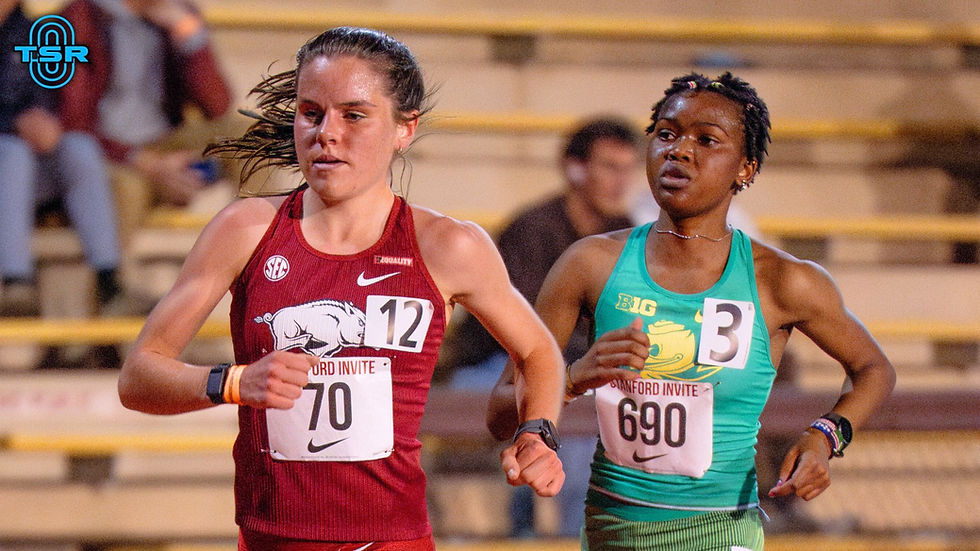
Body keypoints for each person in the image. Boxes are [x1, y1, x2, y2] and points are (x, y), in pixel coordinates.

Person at [118, 27, 565, 549]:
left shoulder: (449, 246)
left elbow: (537, 352)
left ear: (405, 129)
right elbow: (139, 377)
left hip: (392, 540)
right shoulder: (245, 229)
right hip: (270, 540)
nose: (326, 133)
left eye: (354, 115)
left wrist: (538, 432)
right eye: (311, 112)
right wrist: (234, 381)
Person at [487, 72, 896, 549]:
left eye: (706, 140)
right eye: (666, 133)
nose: (679, 150)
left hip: (723, 533)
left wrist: (825, 436)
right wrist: (573, 378)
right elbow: (499, 413)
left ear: (745, 168)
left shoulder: (782, 281)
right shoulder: (589, 264)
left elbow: (874, 369)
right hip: (613, 533)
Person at [438, 117, 639, 537]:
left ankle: (565, 535)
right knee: (566, 413)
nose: (620, 181)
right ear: (575, 168)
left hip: (578, 373)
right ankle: (544, 537)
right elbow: (523, 339)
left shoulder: (627, 234)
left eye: (627, 168)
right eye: (609, 167)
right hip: (491, 369)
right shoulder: (532, 229)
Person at [58, 0, 233, 244]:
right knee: (128, 189)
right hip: (107, 153)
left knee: (247, 133)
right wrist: (144, 162)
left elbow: (217, 105)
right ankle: (112, 280)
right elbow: (73, 122)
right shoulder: (82, 17)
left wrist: (187, 31)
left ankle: (268, 248)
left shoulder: (178, 13)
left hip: (165, 141)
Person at [0, 0, 122, 317]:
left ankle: (109, 281)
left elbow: (54, 101)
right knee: (12, 151)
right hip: (9, 157)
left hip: (26, 171)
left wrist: (47, 124)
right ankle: (15, 280)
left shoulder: (35, 34)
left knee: (78, 147)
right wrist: (12, 123)